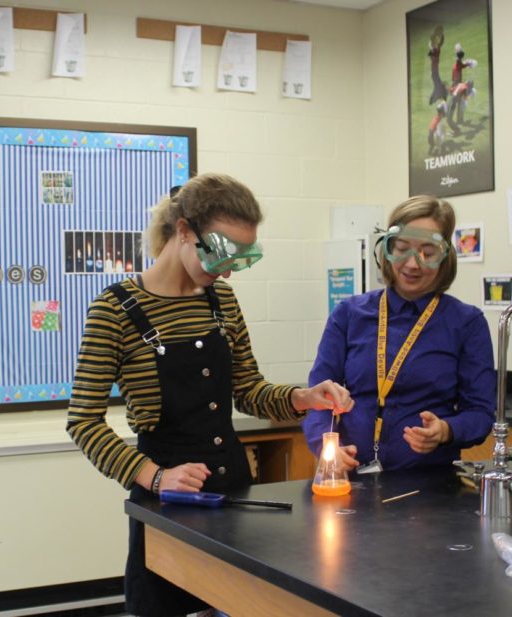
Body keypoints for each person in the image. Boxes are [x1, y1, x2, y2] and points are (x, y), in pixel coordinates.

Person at [66, 173, 353, 617]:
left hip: (234, 489)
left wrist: (304, 397)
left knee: (241, 604)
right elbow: (83, 421)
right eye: (222, 252)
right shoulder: (115, 309)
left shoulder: (221, 301)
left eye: (243, 256)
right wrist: (156, 477)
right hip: (165, 499)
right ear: (183, 231)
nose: (229, 267)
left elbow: (249, 392)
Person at [303, 195, 495, 473]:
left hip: (430, 492)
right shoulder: (349, 314)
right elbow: (318, 399)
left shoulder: (466, 323)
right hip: (350, 478)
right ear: (387, 250)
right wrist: (325, 446)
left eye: (428, 253)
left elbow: (480, 413)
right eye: (402, 249)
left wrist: (446, 430)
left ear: (445, 258)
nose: (413, 264)